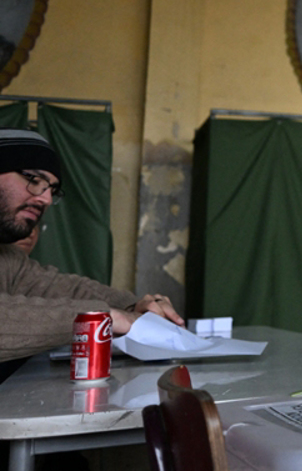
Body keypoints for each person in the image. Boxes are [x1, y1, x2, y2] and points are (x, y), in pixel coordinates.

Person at [0, 129, 184, 376]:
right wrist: (108, 318)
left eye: (51, 190)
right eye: (34, 180)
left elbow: (59, 287)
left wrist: (136, 307)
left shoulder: (8, 257)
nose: (45, 199)